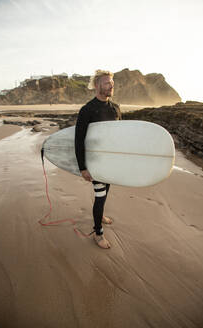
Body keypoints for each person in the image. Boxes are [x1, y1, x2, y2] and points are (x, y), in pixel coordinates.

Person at [75, 70, 122, 249]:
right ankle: (98, 233)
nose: (111, 86)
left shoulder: (116, 108)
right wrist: (83, 168)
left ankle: (100, 215)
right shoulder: (87, 110)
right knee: (100, 196)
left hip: (110, 160)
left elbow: (119, 135)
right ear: (97, 86)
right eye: (107, 83)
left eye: (112, 83)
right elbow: (79, 140)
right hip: (95, 162)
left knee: (105, 192)